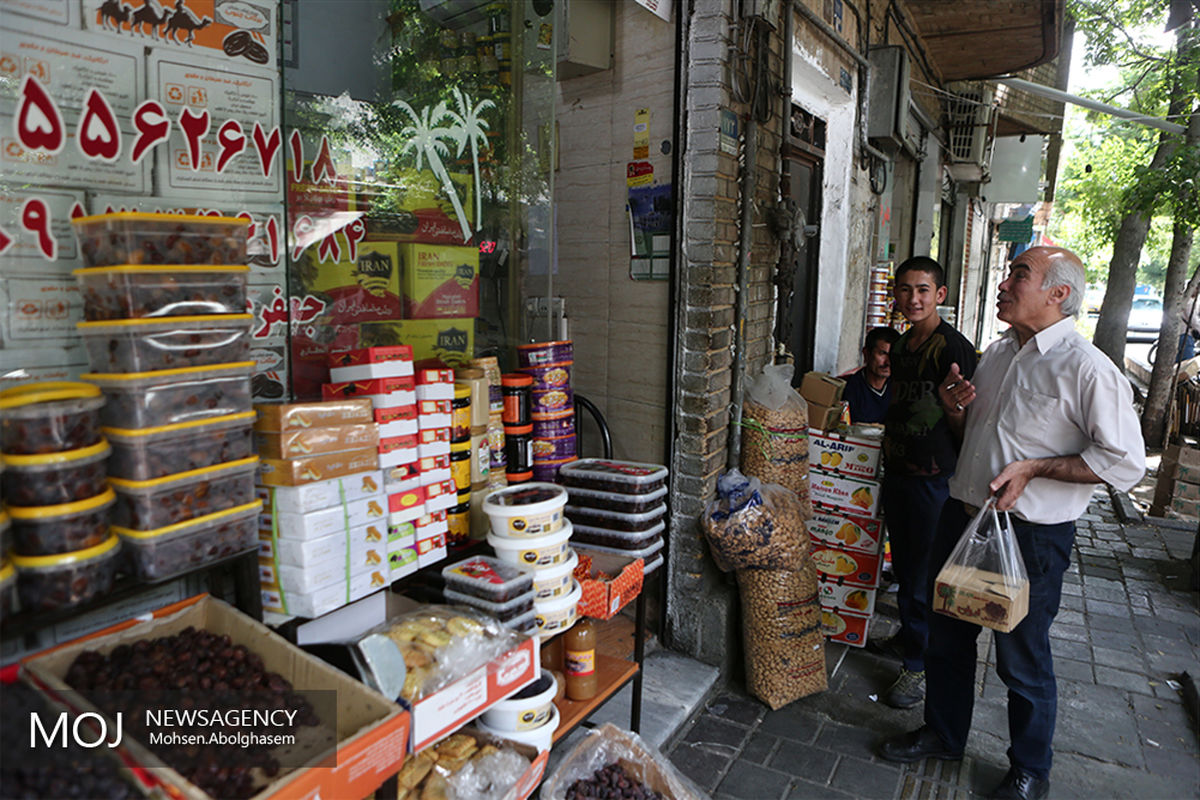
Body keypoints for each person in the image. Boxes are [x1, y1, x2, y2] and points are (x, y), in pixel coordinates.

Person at [878, 247, 1145, 800]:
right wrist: (956, 410)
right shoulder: (996, 355)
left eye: (1018, 275)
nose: (1003, 283)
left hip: (1030, 535)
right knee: (947, 640)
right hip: (963, 517)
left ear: (1058, 294)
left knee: (1021, 657)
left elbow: (1124, 464)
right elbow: (969, 439)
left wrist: (1037, 468)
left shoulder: (1086, 368)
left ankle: (1030, 770)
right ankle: (944, 733)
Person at [878, 256, 978, 709]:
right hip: (898, 471)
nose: (912, 299)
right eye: (904, 290)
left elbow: (968, 421)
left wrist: (952, 412)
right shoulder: (899, 348)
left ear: (940, 295)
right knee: (904, 567)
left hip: (934, 480)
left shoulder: (953, 348)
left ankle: (917, 667)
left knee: (922, 575)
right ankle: (907, 638)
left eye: (922, 290)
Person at [842, 326, 900, 424]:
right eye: (882, 354)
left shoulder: (900, 389)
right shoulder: (848, 388)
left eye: (893, 355)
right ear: (866, 354)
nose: (888, 362)